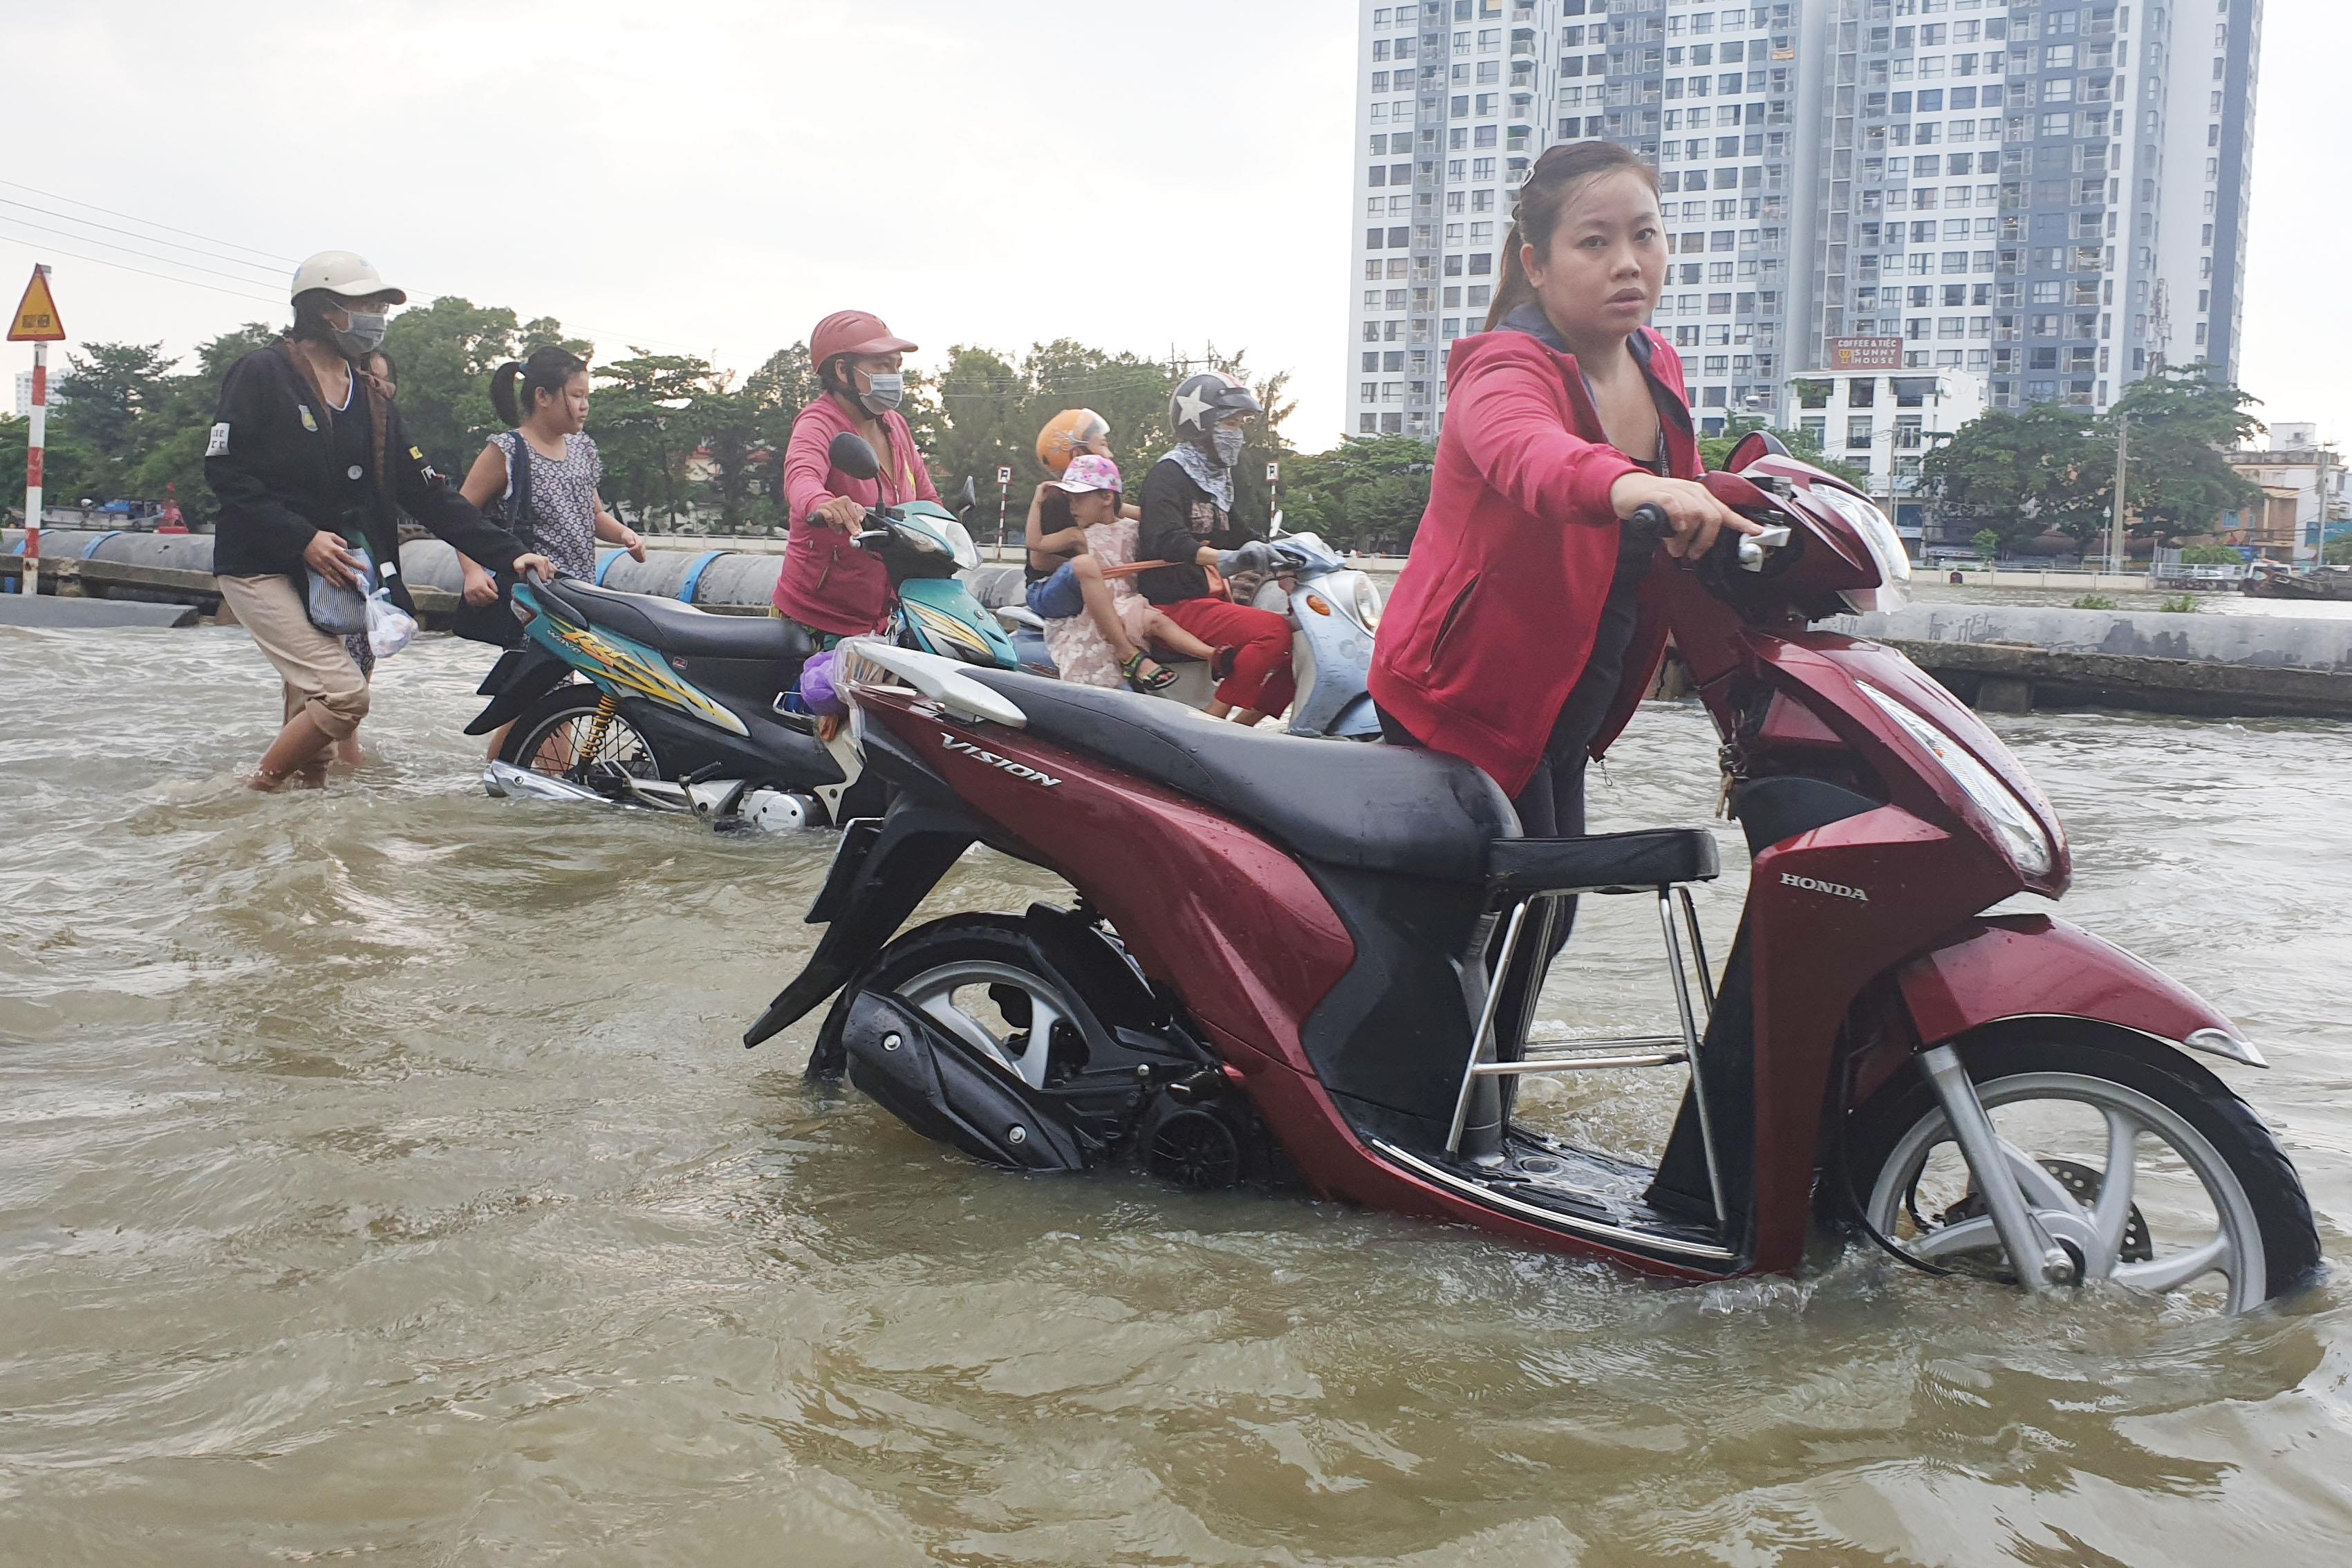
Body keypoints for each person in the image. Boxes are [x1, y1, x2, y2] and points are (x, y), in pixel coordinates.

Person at [1366, 140, 1757, 1049]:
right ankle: (1432, 1119)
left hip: (1564, 700)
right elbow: (1532, 459)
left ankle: (1479, 1106)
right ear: (1535, 264)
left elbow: (1687, 491)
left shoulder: (1654, 363)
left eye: (1645, 236)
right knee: (1489, 923)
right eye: (1593, 243)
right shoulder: (1502, 369)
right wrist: (1632, 485)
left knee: (1547, 917)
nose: (1627, 263)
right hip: (1461, 692)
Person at [205, 250, 552, 788]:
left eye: (380, 306)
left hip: (334, 572)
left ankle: (298, 845)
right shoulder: (262, 373)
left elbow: (429, 493)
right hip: (260, 566)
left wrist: (509, 553)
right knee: (343, 696)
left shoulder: (373, 399)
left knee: (315, 740)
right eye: (365, 305)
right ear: (324, 309)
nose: (376, 319)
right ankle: (248, 794)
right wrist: (302, 539)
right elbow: (228, 476)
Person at [454, 345, 646, 756]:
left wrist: (626, 535)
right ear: (543, 396)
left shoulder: (583, 449)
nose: (584, 406)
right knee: (542, 701)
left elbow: (594, 515)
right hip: (533, 601)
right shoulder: (506, 451)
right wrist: (473, 572)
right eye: (576, 396)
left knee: (548, 702)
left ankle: (514, 787)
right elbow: (460, 516)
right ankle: (526, 791)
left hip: (579, 600)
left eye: (587, 397)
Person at [772, 310, 937, 643]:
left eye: (896, 366)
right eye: (881, 366)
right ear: (843, 371)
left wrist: (947, 527)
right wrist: (824, 503)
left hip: (889, 614)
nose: (894, 376)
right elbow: (801, 476)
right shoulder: (818, 423)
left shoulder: (894, 425)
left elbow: (928, 498)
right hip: (819, 618)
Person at [1134, 371, 1289, 724]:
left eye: (1240, 425)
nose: (1238, 434)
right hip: (1174, 602)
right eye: (1231, 424)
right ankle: (1213, 723)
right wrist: (1226, 559)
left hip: (1206, 599)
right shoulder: (1169, 474)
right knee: (1274, 633)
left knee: (1301, 636)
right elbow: (1166, 539)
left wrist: (1290, 550)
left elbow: (1238, 533)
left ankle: (1244, 726)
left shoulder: (1215, 482)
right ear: (1202, 426)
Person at [1023, 456, 1217, 689]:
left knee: (1158, 621)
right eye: (1070, 500)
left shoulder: (1132, 528)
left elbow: (1160, 520)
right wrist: (1037, 502)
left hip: (1130, 599)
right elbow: (1036, 543)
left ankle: (1214, 656)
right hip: (1104, 603)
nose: (1072, 508)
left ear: (1107, 496)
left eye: (1079, 500)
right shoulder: (1077, 534)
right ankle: (1131, 657)